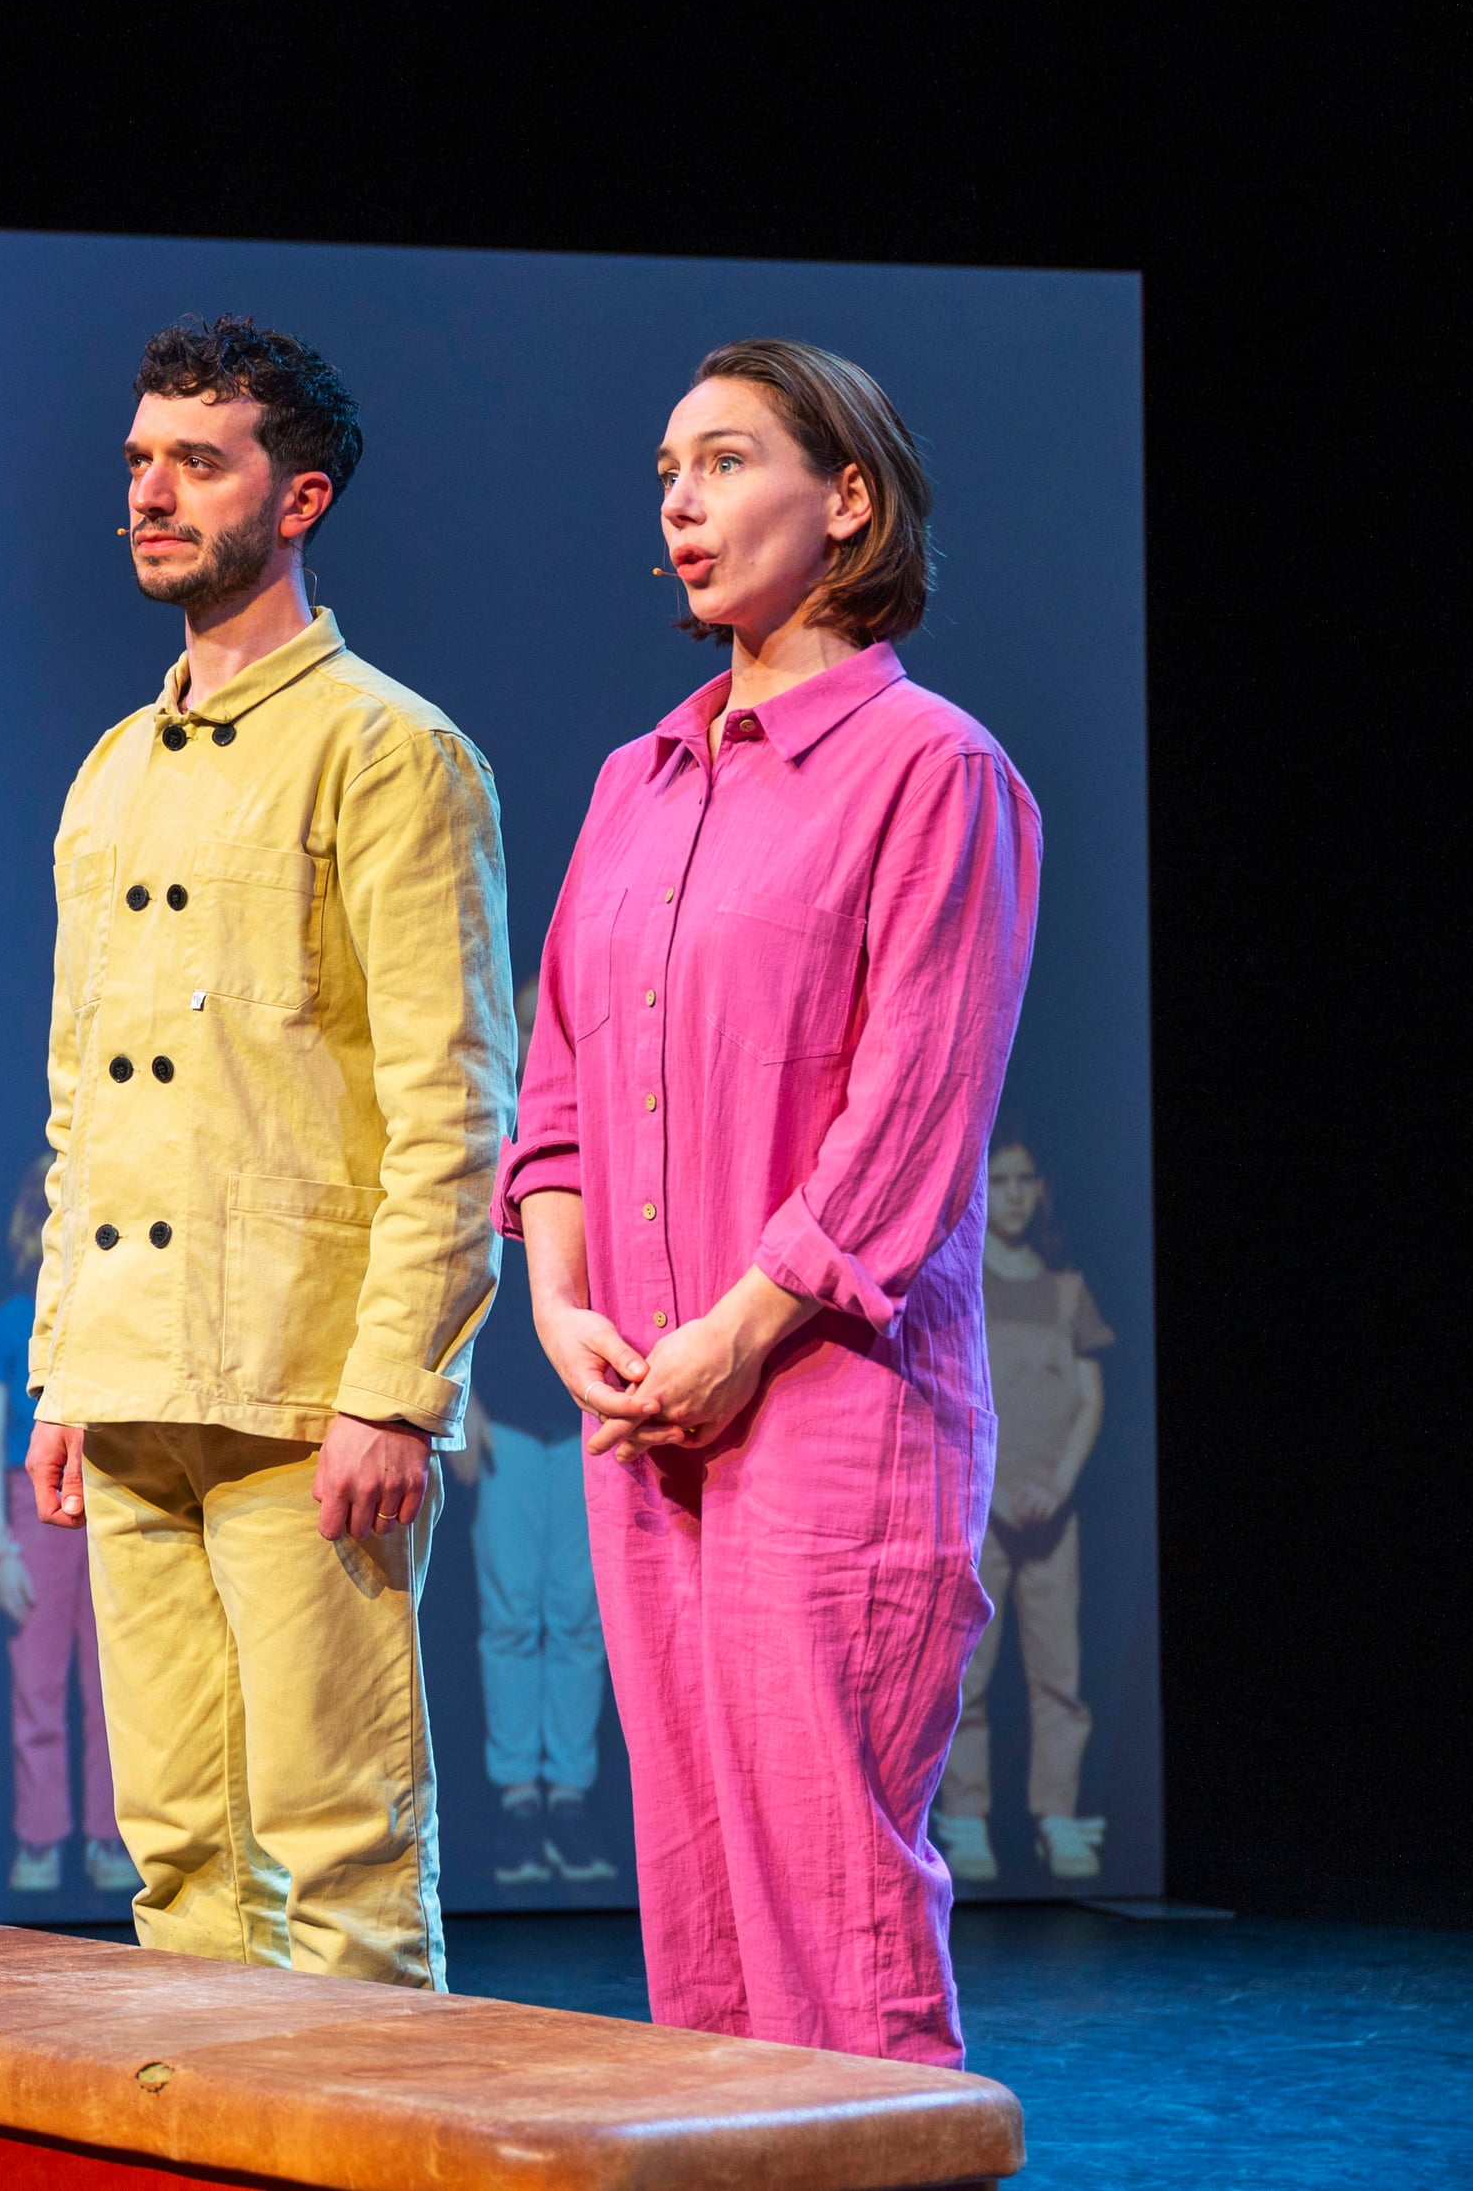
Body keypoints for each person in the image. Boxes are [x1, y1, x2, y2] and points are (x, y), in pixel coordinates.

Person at [503, 338, 1040, 2067]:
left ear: (850, 499)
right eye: (668, 467)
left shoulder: (931, 768)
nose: (681, 498)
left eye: (728, 460)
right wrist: (561, 1305)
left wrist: (742, 1332)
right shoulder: (632, 779)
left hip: (826, 1404)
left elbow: (911, 1121)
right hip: (646, 1405)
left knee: (831, 1900)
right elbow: (562, 1083)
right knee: (700, 1902)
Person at [22, 315, 514, 1990]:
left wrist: (397, 1388)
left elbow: (452, 1101)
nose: (152, 494)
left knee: (347, 1857)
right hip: (136, 1379)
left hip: (305, 1388)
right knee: (177, 1868)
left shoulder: (392, 749)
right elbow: (86, 1102)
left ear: (296, 498)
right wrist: (62, 1374)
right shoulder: (109, 775)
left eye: (197, 462)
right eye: (140, 461)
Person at [443, 984, 616, 1892]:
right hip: (507, 1423)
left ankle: (571, 1794)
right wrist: (462, 1408)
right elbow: (458, 1275)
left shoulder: (602, 1136)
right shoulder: (482, 1136)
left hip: (584, 1417)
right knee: (514, 1619)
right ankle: (518, 1796)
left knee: (577, 1619)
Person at [937, 1127, 1113, 1883]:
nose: (1011, 1192)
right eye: (998, 1179)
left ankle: (1058, 1818)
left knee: (1057, 1671)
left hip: (1052, 1515)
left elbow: (1088, 1399)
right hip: (984, 1509)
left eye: (1022, 1180)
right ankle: (966, 1815)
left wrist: (1059, 1485)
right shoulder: (962, 1280)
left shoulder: (1067, 1287)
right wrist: (999, 1485)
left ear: (1039, 1190)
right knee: (966, 1673)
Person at [0, 1155, 131, 1898]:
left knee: (113, 1690)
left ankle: (109, 1837)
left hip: (102, 1501)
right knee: (38, 1687)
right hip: (30, 1512)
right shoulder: (5, 1328)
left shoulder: (104, 1325)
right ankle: (39, 1838)